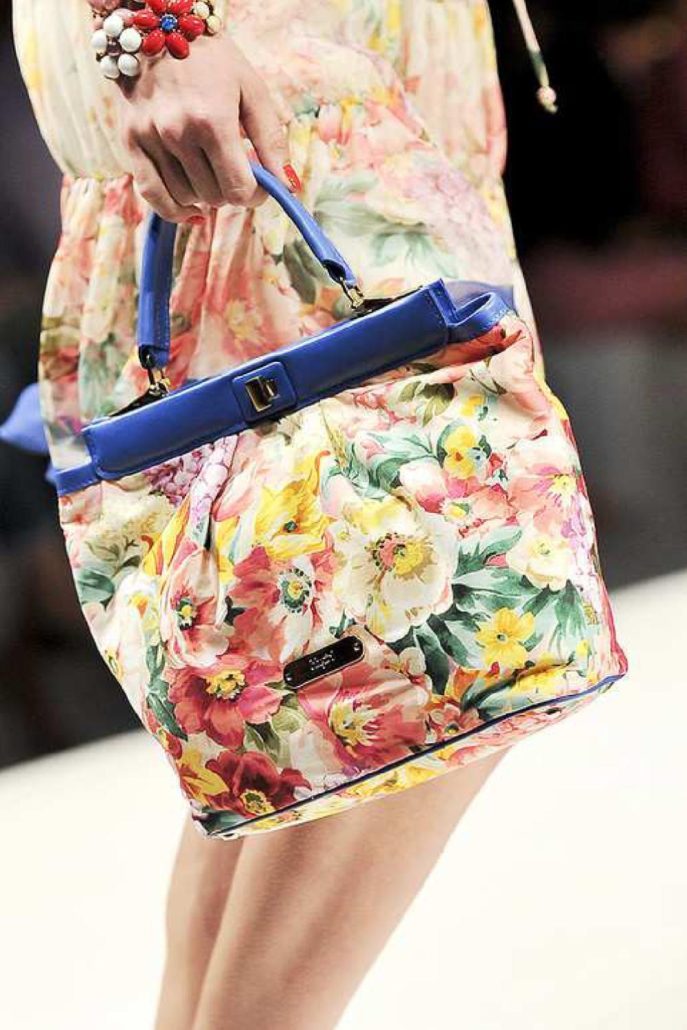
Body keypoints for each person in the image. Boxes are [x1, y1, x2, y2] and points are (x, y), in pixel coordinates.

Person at [10, 2, 559, 1026]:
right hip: (263, 82)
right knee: (448, 628)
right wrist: (155, 33)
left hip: (301, 86)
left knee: (298, 687)